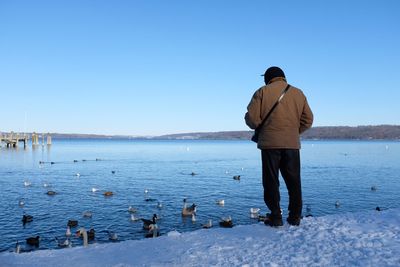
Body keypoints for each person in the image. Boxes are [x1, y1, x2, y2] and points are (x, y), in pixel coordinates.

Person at [245, 66, 313, 227]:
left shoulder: (261, 92)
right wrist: (293, 133)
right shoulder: (298, 93)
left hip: (270, 144)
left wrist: (248, 117)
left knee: (271, 181)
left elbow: (253, 120)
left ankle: (276, 216)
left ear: (267, 78)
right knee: (294, 181)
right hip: (292, 144)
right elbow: (308, 120)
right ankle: (295, 216)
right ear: (283, 77)